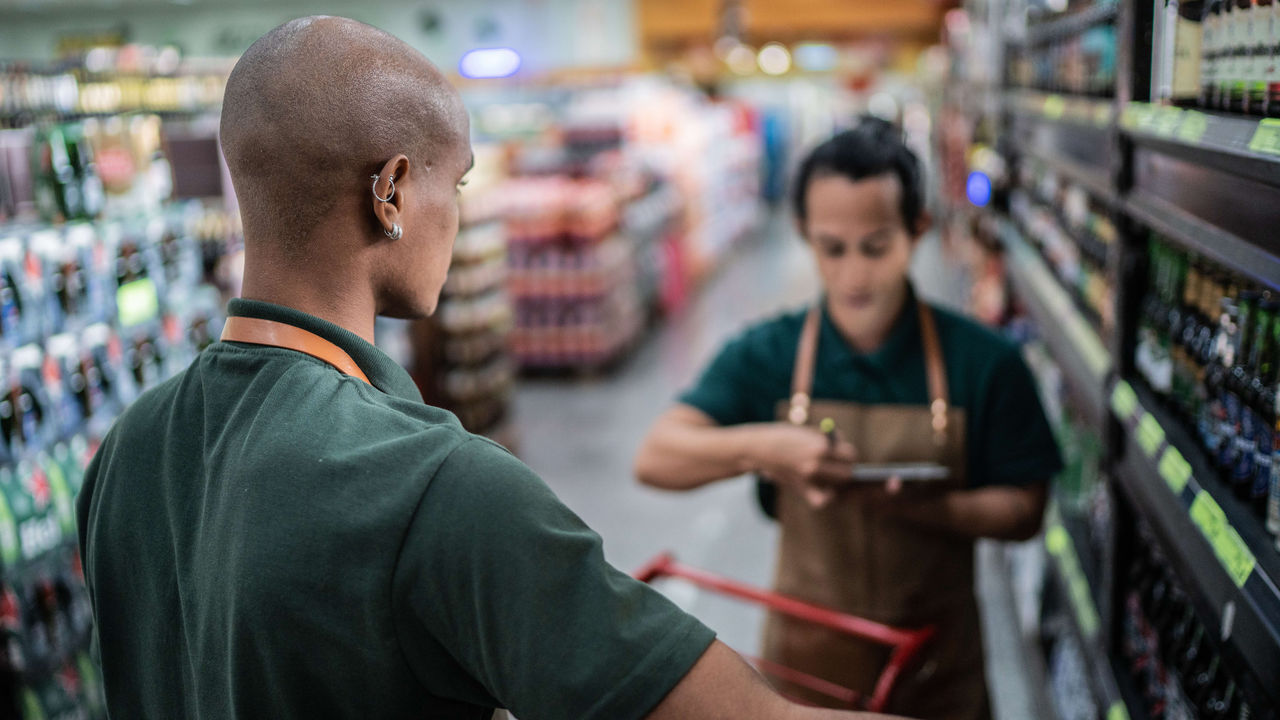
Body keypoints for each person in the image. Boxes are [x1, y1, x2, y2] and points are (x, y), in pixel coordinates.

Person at [74, 16, 908, 720]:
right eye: (459, 184)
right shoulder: (432, 485)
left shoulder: (126, 452)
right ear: (392, 192)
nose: (464, 216)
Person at [634, 118, 1063, 720]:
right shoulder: (769, 355)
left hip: (936, 669)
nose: (855, 273)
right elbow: (657, 458)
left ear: (918, 230)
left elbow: (1025, 509)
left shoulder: (984, 361)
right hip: (807, 677)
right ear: (805, 234)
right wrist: (765, 446)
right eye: (832, 248)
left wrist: (920, 507)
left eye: (876, 246)